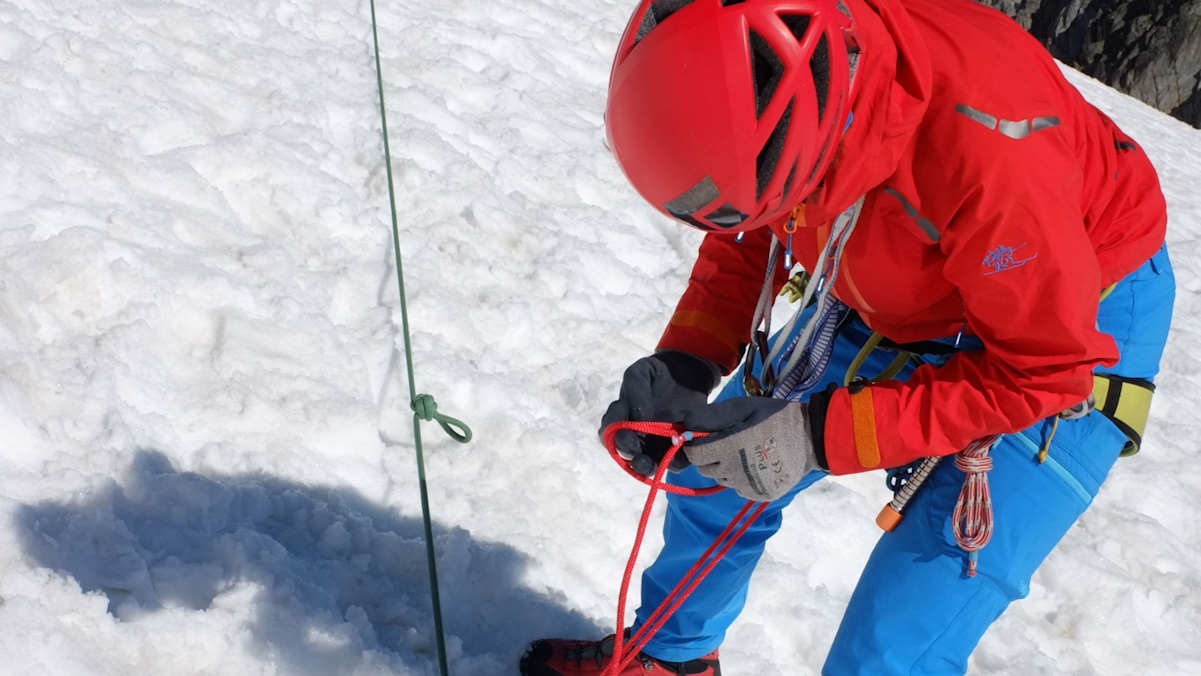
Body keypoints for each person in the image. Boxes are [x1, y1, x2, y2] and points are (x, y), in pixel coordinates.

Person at [520, 0, 1175, 674]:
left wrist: (814, 434)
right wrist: (687, 357)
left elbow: (1042, 371)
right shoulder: (787, 87)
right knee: (723, 465)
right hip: (900, 256)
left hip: (1065, 314)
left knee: (891, 642)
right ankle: (670, 659)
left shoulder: (994, 155)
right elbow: (753, 216)